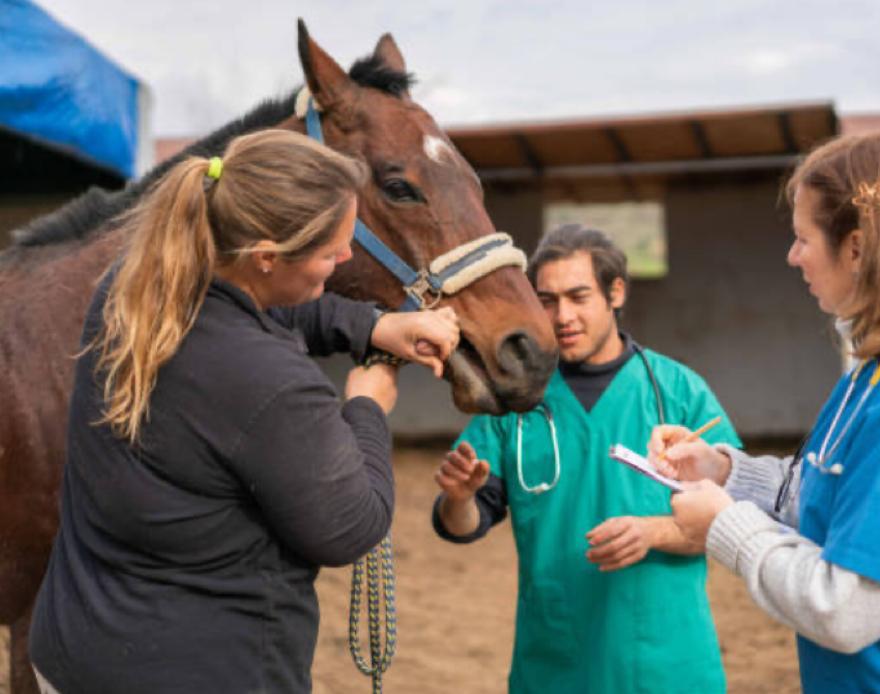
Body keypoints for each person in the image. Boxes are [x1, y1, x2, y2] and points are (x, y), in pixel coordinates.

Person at [28, 129, 460, 693]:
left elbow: (261, 311)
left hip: (77, 651)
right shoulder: (273, 385)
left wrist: (373, 324)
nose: (347, 256)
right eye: (332, 249)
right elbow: (350, 527)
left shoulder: (134, 289)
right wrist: (367, 406)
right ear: (266, 257)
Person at [650, 132, 880, 693]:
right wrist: (724, 472)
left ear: (856, 247)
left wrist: (725, 524)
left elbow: (847, 611)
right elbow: (829, 490)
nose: (792, 254)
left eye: (803, 238)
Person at [432, 224, 741, 693]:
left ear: (615, 292)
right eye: (547, 301)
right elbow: (463, 524)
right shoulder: (517, 402)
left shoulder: (678, 393)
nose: (562, 316)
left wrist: (654, 531)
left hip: (665, 663)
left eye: (579, 297)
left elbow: (737, 521)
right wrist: (458, 499)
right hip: (557, 658)